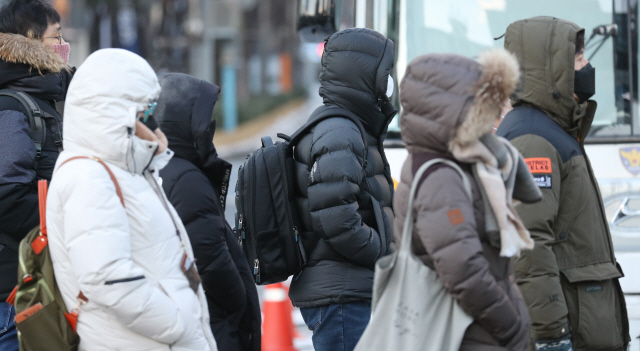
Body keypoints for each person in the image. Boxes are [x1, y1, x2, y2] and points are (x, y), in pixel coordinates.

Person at [46, 49, 217, 351]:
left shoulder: (122, 167)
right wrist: (176, 325)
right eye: (143, 112)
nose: (150, 121)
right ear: (113, 113)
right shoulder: (88, 176)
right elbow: (105, 277)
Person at [497, 16, 630, 351]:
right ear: (551, 69)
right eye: (579, 60)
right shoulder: (532, 139)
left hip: (583, 324)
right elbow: (530, 245)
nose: (587, 67)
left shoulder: (553, 129)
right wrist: (552, 335)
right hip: (570, 329)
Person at [394, 48, 537, 351]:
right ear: (454, 110)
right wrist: (511, 327)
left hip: (475, 331)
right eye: (483, 106)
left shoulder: (453, 163)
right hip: (468, 333)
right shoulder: (441, 177)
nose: (497, 114)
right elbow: (463, 269)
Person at [287, 28, 396, 351]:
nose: (388, 81)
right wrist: (380, 250)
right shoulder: (340, 132)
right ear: (362, 75)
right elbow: (335, 217)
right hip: (342, 297)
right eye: (383, 72)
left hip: (346, 291)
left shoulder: (348, 127)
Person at [154, 72, 261, 351]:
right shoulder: (187, 179)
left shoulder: (156, 169)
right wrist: (240, 304)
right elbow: (209, 259)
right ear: (183, 122)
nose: (208, 126)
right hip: (213, 322)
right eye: (203, 118)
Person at [0, 1, 74, 349]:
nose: (64, 46)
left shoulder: (44, 99)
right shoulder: (11, 108)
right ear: (29, 40)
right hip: (14, 292)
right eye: (56, 37)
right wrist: (65, 220)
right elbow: (7, 198)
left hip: (36, 280)